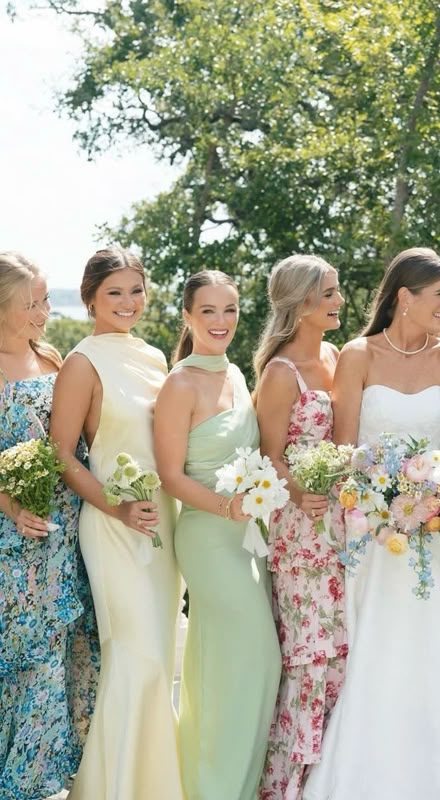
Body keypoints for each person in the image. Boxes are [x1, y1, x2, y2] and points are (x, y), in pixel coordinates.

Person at [304, 247, 440, 800]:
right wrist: (378, 501)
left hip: (438, 533)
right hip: (372, 535)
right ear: (405, 297)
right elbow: (344, 449)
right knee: (379, 647)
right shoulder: (358, 355)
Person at [51, 247, 184, 800]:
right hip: (112, 527)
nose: (129, 302)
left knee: (160, 657)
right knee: (140, 659)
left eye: (136, 290)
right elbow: (62, 455)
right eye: (115, 293)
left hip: (164, 527)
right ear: (89, 300)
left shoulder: (155, 357)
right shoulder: (82, 362)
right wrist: (118, 507)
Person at [154, 269, 280, 800]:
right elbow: (171, 475)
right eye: (208, 311)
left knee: (237, 665)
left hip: (247, 535)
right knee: (254, 658)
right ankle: (216, 788)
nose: (221, 321)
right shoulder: (179, 384)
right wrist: (228, 507)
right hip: (207, 535)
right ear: (188, 316)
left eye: (229, 309)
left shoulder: (236, 376)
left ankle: (230, 785)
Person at [0, 252, 98, 800]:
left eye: (44, 299)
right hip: (12, 546)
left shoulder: (55, 359)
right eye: (32, 303)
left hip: (67, 540)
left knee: (63, 658)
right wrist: (11, 505)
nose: (44, 311)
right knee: (27, 667)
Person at [254, 256, 348, 800]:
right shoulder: (279, 373)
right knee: (309, 658)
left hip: (344, 526)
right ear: (302, 302)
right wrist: (302, 492)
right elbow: (271, 459)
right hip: (300, 530)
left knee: (342, 652)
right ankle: (290, 787)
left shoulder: (337, 357)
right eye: (329, 294)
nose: (339, 302)